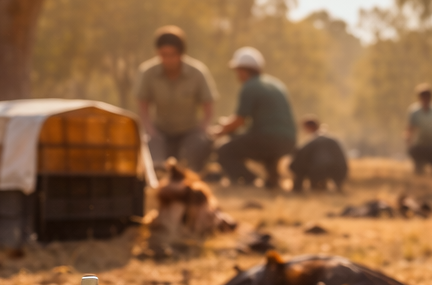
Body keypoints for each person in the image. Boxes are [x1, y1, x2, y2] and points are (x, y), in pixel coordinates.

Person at [136, 26, 217, 172]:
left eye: (172, 54)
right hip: (160, 131)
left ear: (181, 54)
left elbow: (209, 108)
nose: (167, 59)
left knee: (195, 154)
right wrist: (151, 131)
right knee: (154, 159)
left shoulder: (198, 72)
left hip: (190, 131)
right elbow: (143, 107)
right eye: (163, 54)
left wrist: (201, 131)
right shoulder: (147, 72)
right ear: (157, 53)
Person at [214, 47, 296, 186]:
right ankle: (272, 179)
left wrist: (219, 131)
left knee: (224, 150)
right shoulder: (276, 84)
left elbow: (239, 121)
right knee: (261, 144)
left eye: (237, 71)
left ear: (243, 70)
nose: (237, 75)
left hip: (267, 139)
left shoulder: (249, 86)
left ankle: (251, 180)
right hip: (289, 141)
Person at [290, 116, 349, 192]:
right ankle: (327, 187)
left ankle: (297, 189)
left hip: (320, 169)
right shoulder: (331, 138)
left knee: (297, 165)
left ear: (309, 127)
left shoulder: (313, 140)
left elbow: (300, 155)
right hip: (340, 169)